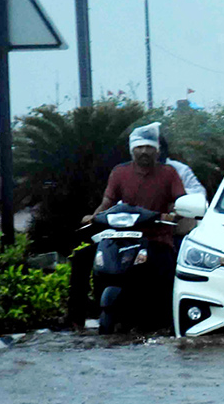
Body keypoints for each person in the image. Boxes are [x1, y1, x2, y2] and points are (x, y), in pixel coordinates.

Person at [70, 122, 185, 329]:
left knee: (167, 267)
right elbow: (107, 202)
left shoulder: (169, 173)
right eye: (139, 147)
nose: (144, 152)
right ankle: (76, 319)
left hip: (155, 239)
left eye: (149, 147)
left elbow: (180, 202)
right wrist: (94, 217)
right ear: (132, 149)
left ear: (156, 150)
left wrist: (173, 215)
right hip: (120, 238)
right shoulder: (119, 173)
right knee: (81, 259)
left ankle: (169, 322)